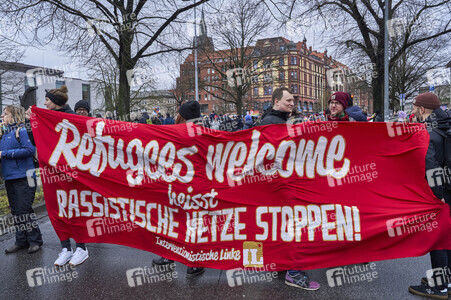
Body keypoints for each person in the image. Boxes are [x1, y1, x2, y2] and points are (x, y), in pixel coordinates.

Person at [259, 87, 320, 291]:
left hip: (281, 182)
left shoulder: (278, 119)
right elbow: (275, 154)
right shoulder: (271, 123)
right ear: (276, 101)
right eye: (288, 100)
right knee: (294, 225)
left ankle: (282, 265)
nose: (292, 103)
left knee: (284, 225)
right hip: (282, 183)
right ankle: (294, 273)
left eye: (293, 100)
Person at [27, 85, 89, 266]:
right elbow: (34, 140)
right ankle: (65, 249)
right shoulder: (46, 117)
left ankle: (81, 248)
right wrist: (31, 121)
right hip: (52, 174)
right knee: (57, 211)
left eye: (47, 100)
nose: (44, 103)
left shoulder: (73, 117)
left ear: (55, 102)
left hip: (72, 174)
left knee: (74, 211)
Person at [153, 100, 205, 279]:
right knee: (194, 224)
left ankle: (169, 255)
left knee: (173, 222)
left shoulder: (172, 132)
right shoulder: (207, 133)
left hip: (175, 185)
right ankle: (194, 264)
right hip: (198, 187)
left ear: (181, 116)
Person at [408, 92, 451, 299]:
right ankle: (447, 280)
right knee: (448, 238)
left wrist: (437, 196)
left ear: (422, 110)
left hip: (441, 193)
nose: (413, 111)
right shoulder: (446, 126)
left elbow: (432, 167)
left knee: (438, 239)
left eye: (415, 107)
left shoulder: (428, 132)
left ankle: (439, 287)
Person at [1, 106, 43, 255]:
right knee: (16, 211)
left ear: (13, 116)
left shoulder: (22, 131)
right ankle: (21, 241)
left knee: (24, 210)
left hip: (24, 177)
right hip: (10, 178)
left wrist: (4, 154)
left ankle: (35, 240)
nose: (2, 116)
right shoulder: (4, 134)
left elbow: (29, 150)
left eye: (5, 114)